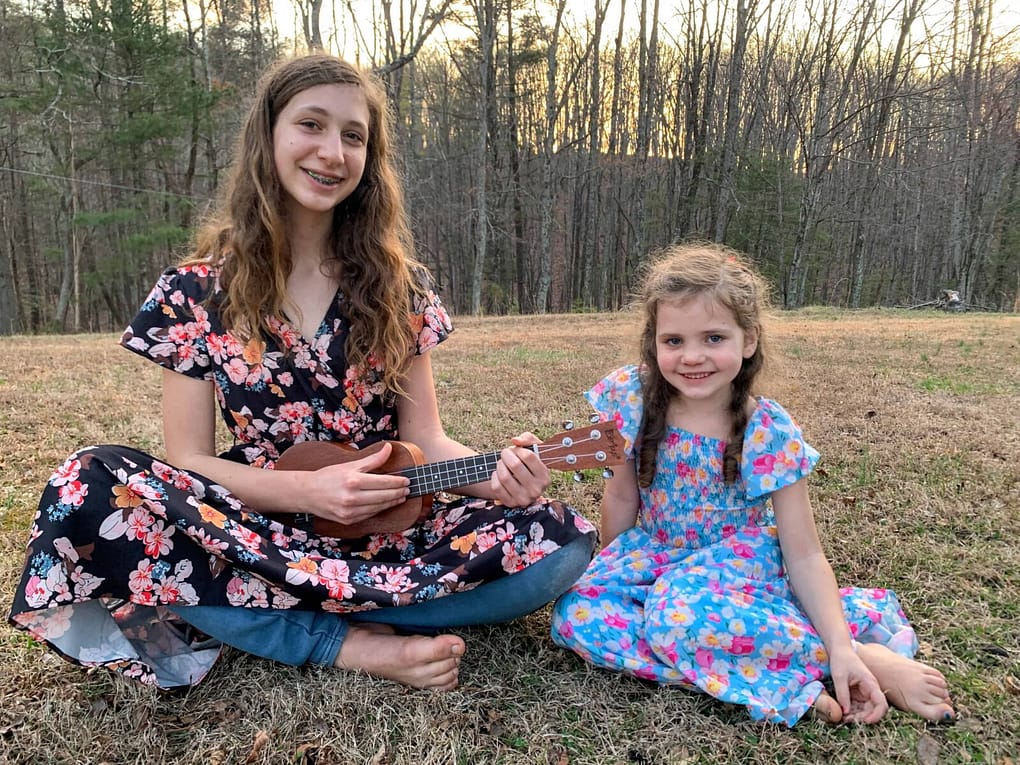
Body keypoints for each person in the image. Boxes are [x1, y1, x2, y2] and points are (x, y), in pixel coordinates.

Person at [8, 53, 596, 692]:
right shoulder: (195, 290)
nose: (332, 152)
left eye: (353, 136)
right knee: (88, 484)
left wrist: (497, 480)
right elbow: (190, 462)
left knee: (563, 544)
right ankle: (345, 642)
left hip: (385, 534)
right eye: (311, 125)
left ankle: (279, 615)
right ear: (269, 136)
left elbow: (426, 439)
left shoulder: (400, 289)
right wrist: (310, 495)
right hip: (254, 534)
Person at [550, 243, 954, 726]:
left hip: (735, 564)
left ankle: (850, 657)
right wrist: (616, 570)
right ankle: (763, 666)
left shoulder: (767, 431)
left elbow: (804, 553)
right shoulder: (630, 399)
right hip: (655, 552)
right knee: (577, 615)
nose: (692, 356)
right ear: (653, 342)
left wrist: (840, 644)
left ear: (748, 340)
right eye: (673, 341)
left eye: (714, 337)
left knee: (678, 616)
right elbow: (620, 494)